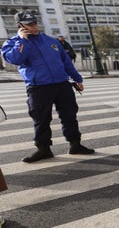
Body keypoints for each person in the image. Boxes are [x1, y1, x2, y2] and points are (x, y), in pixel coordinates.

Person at [2, 11, 95, 163]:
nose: (34, 26)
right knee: (41, 119)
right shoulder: (13, 43)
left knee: (69, 115)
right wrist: (22, 40)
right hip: (38, 87)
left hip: (62, 84)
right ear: (20, 26)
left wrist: (77, 78)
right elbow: (15, 59)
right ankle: (43, 149)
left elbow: (65, 62)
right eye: (29, 24)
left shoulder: (50, 41)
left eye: (34, 22)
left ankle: (75, 144)